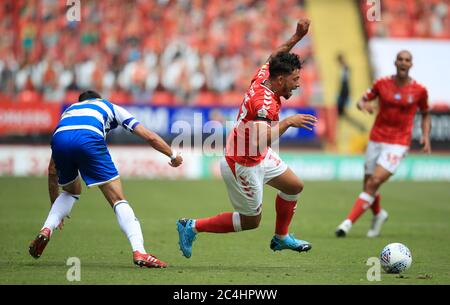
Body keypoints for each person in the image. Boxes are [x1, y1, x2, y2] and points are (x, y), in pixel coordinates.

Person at [176, 19, 318, 258]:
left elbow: (275, 56)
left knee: (294, 186)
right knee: (251, 221)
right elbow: (260, 141)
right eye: (295, 80)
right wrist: (287, 122)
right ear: (281, 80)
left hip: (256, 154)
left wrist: (296, 37)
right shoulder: (264, 104)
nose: (298, 85)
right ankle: (191, 226)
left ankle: (281, 237)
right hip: (242, 163)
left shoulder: (265, 76)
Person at [28, 90, 183, 268]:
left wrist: (54, 208)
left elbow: (51, 170)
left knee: (71, 191)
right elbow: (149, 136)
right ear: (98, 98)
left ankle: (47, 228)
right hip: (89, 138)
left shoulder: (69, 111)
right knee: (117, 199)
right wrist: (172, 155)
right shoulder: (108, 106)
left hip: (59, 139)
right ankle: (139, 251)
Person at [335, 50, 431, 238]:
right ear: (395, 62)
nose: (403, 62)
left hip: (398, 142)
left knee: (375, 181)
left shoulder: (419, 91)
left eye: (407, 60)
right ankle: (379, 214)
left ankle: (346, 224)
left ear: (411, 65)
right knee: (368, 184)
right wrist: (364, 106)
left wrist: (425, 135)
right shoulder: (382, 84)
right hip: (376, 138)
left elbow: (426, 113)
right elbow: (361, 101)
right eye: (400, 59)